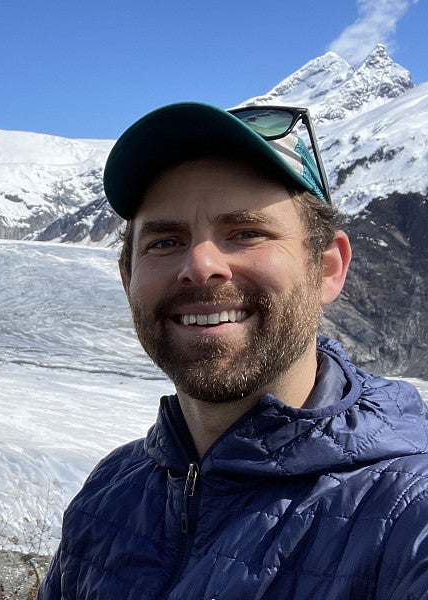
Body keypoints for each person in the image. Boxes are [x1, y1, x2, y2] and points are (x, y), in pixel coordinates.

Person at [36, 102, 428, 599]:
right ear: (128, 278)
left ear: (327, 268)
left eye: (246, 233)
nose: (200, 265)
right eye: (164, 241)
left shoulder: (409, 512)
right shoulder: (110, 493)